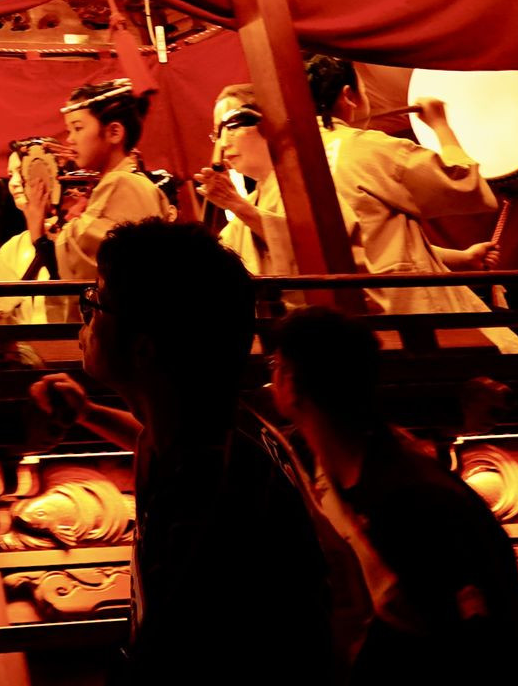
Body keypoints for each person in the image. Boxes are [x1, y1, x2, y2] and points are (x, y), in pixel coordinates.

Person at [35, 222, 335, 682]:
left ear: (144, 348)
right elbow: (155, 438)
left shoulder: (209, 494)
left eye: (94, 303)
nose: (85, 317)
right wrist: (88, 413)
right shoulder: (220, 426)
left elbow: (182, 647)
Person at [270, 307, 518, 681]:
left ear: (290, 382)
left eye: (275, 366)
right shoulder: (333, 464)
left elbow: (466, 638)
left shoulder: (413, 500)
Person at [307, 56, 518, 349]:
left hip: (329, 318)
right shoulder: (369, 147)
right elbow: (464, 185)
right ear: (348, 96)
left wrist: (462, 258)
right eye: (364, 91)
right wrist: (441, 126)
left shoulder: (292, 162)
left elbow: (374, 241)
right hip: (401, 308)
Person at [50, 78, 170, 281]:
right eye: (69, 131)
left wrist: (43, 235)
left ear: (114, 132)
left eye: (78, 128)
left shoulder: (123, 184)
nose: (70, 139)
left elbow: (91, 259)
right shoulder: (123, 182)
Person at [200, 83, 292, 275]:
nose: (223, 143)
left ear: (267, 124)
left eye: (232, 126)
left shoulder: (305, 186)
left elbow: (311, 245)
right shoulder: (251, 201)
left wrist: (237, 205)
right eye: (218, 133)